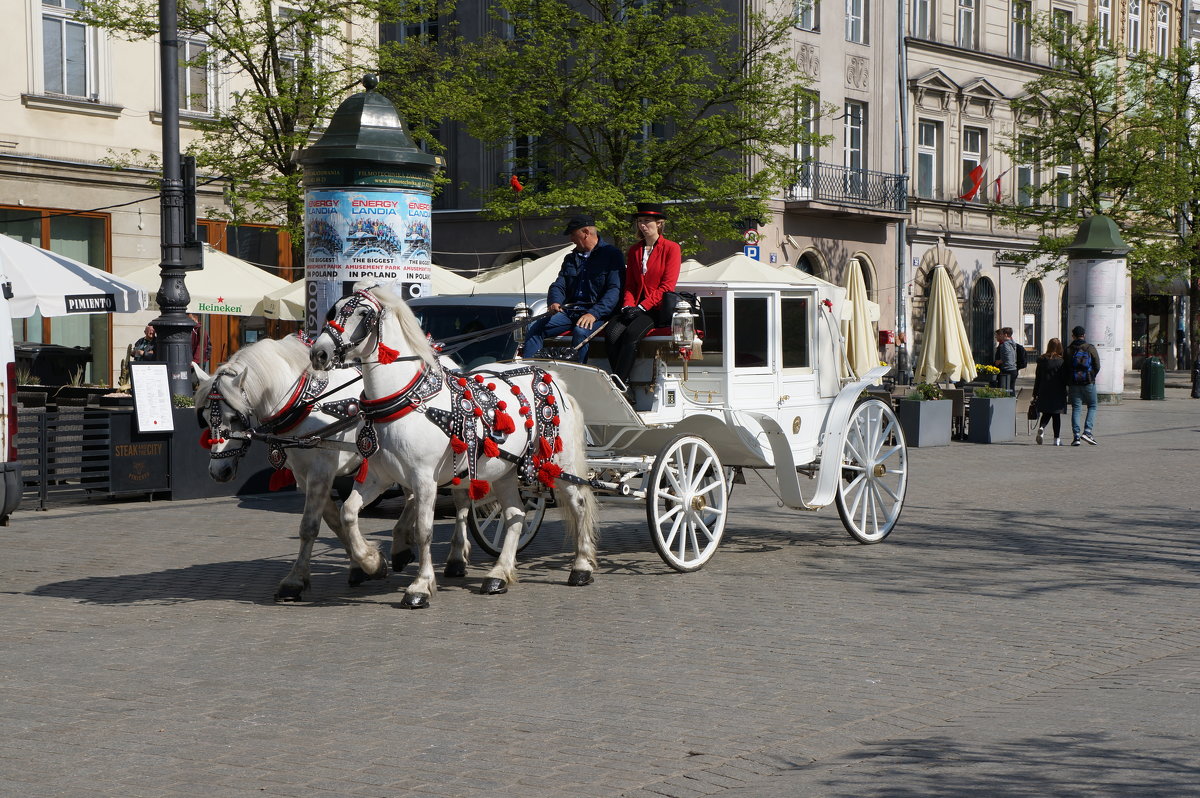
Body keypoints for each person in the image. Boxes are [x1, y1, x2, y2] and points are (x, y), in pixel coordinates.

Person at [522, 214, 623, 363]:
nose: (571, 239)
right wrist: (555, 301)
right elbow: (559, 284)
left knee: (580, 331)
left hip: (598, 314)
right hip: (571, 312)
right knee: (535, 329)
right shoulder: (570, 258)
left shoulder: (612, 255)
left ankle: (575, 375)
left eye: (573, 234)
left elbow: (614, 290)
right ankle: (530, 371)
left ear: (585, 233)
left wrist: (594, 313)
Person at [605, 202, 681, 388]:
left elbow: (667, 286)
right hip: (634, 307)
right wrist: (627, 305)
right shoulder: (635, 250)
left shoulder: (671, 248)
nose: (642, 225)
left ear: (659, 223)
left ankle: (620, 384)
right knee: (611, 334)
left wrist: (642, 307)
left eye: (647, 221)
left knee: (631, 334)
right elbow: (630, 284)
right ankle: (623, 381)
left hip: (655, 309)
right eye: (640, 221)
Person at [1065, 325, 1100, 446]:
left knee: (1076, 408)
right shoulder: (1090, 348)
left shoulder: (1069, 349)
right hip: (1088, 382)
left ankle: (1076, 437)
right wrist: (1091, 376)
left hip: (1073, 383)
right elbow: (1097, 365)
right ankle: (1087, 432)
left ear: (1073, 336)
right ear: (1084, 335)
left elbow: (1065, 367)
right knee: (1092, 406)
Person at [1032, 337, 1068, 446]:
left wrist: (1035, 393)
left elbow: (1037, 378)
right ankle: (1056, 439)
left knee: (1046, 412)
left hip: (1044, 390)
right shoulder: (1061, 361)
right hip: (1058, 391)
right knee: (1056, 414)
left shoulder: (1042, 360)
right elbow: (1064, 378)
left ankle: (1042, 427)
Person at [994, 327, 1019, 392]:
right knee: (1011, 389)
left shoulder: (1005, 345)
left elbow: (1008, 357)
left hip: (1007, 370)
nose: (1000, 336)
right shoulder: (1012, 343)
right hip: (1013, 369)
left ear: (1005, 335)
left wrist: (999, 361)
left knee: (1005, 390)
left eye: (1001, 334)